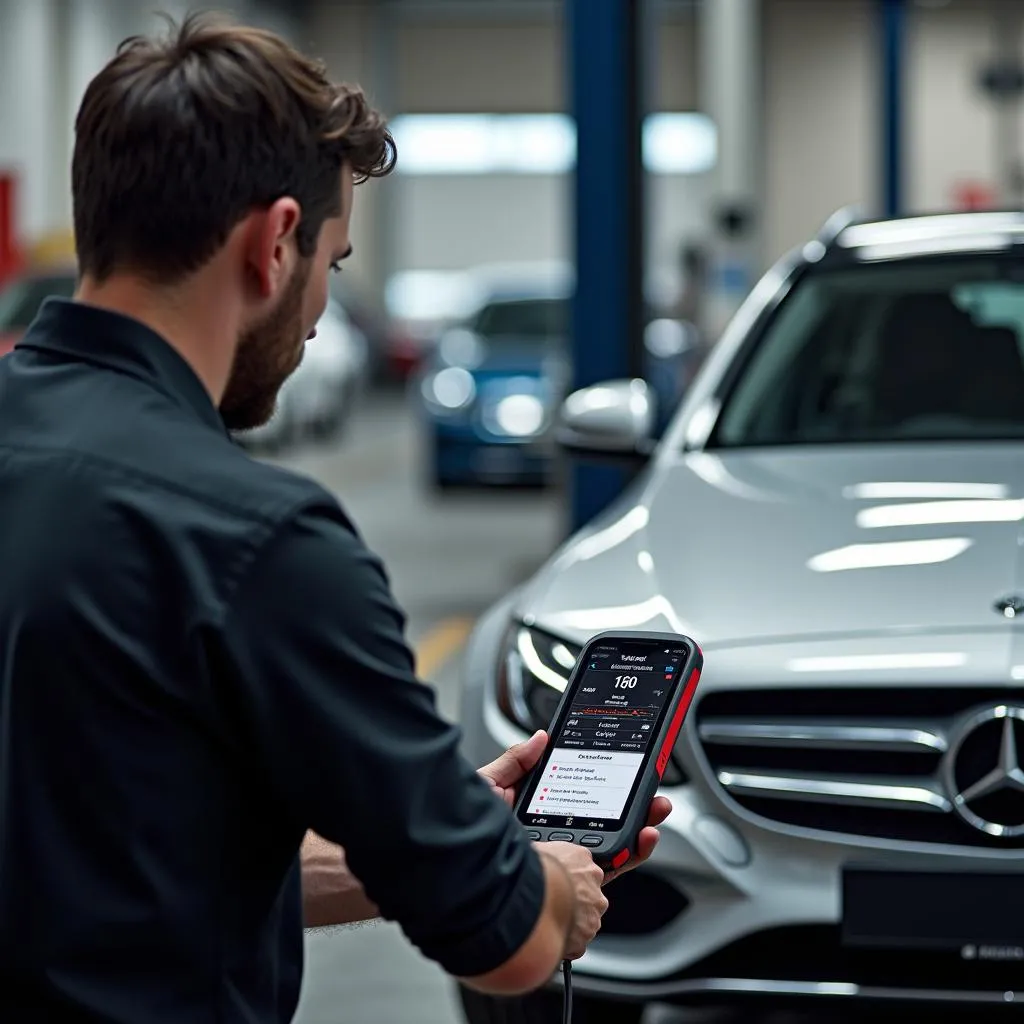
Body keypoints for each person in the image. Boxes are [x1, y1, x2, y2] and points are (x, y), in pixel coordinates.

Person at [0, 13, 671, 1024]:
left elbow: (113, 849)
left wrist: (432, 831)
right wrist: (553, 890)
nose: (319, 310)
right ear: (275, 243)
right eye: (335, 260)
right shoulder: (255, 536)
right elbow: (506, 939)